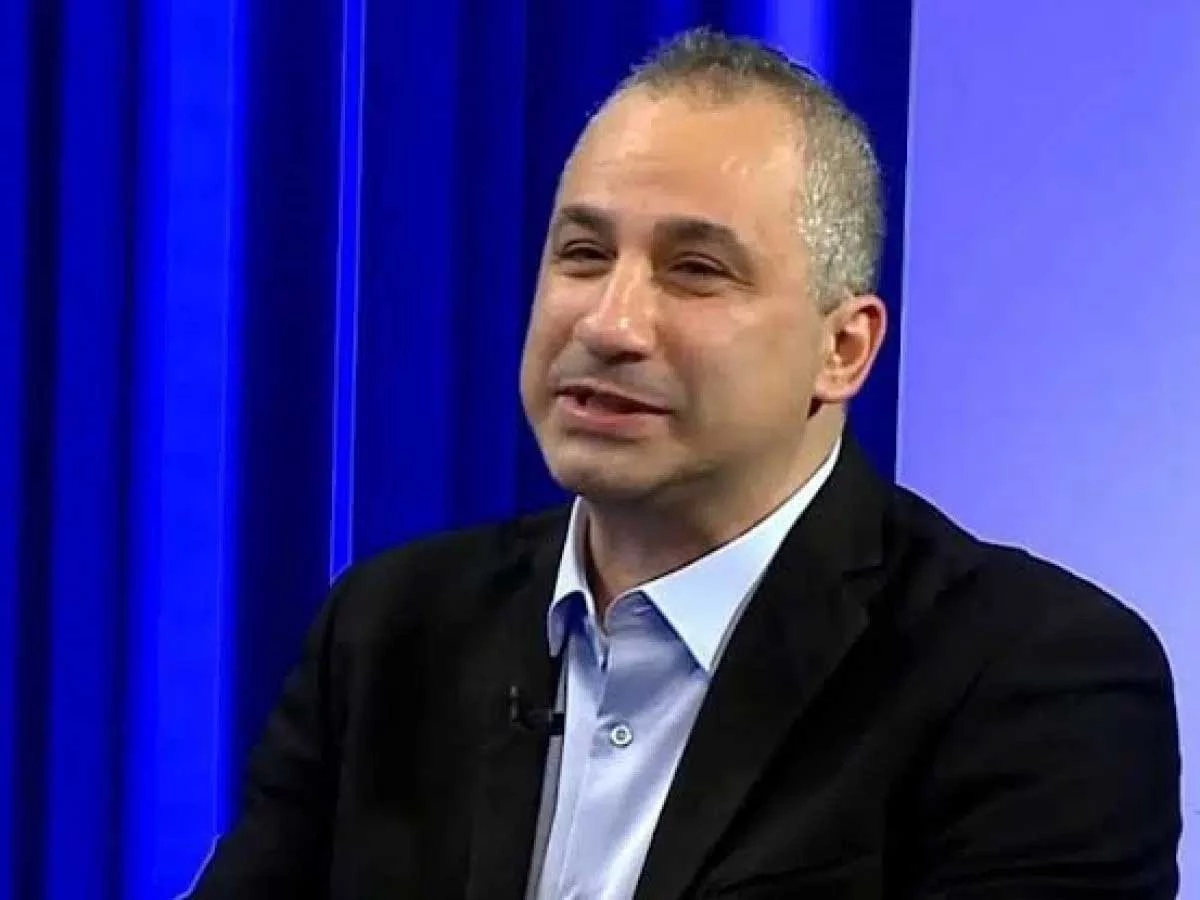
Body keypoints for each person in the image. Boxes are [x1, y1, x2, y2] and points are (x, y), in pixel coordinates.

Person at [188, 28, 1181, 899]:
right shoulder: (389, 633)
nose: (609, 323)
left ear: (843, 350)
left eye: (695, 271)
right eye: (582, 254)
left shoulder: (1032, 680)